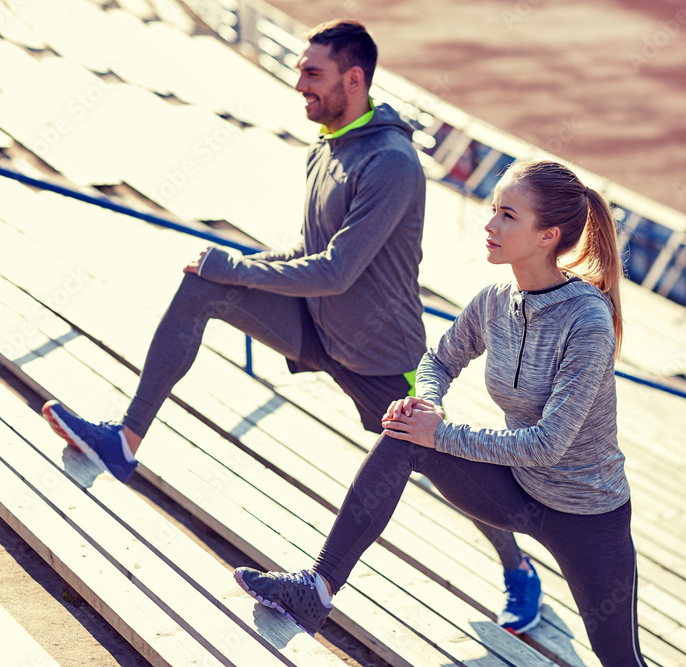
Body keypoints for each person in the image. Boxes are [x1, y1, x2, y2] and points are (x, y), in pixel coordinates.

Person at [41, 19, 541, 634]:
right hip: (318, 327)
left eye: (313, 74)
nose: (298, 83)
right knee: (205, 285)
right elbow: (307, 249)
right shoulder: (328, 143)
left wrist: (238, 266)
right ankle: (124, 443)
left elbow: (335, 270)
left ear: (353, 80)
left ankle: (518, 566)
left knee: (444, 469)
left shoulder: (392, 163)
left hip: (382, 354)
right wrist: (235, 265)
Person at [233, 160, 648, 666]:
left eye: (508, 216)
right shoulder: (496, 300)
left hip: (589, 518)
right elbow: (438, 359)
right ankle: (316, 589)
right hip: (517, 493)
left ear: (548, 235)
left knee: (621, 661)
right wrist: (426, 403)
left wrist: (441, 432)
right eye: (493, 210)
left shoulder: (586, 321)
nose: (490, 225)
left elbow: (547, 445)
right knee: (406, 432)